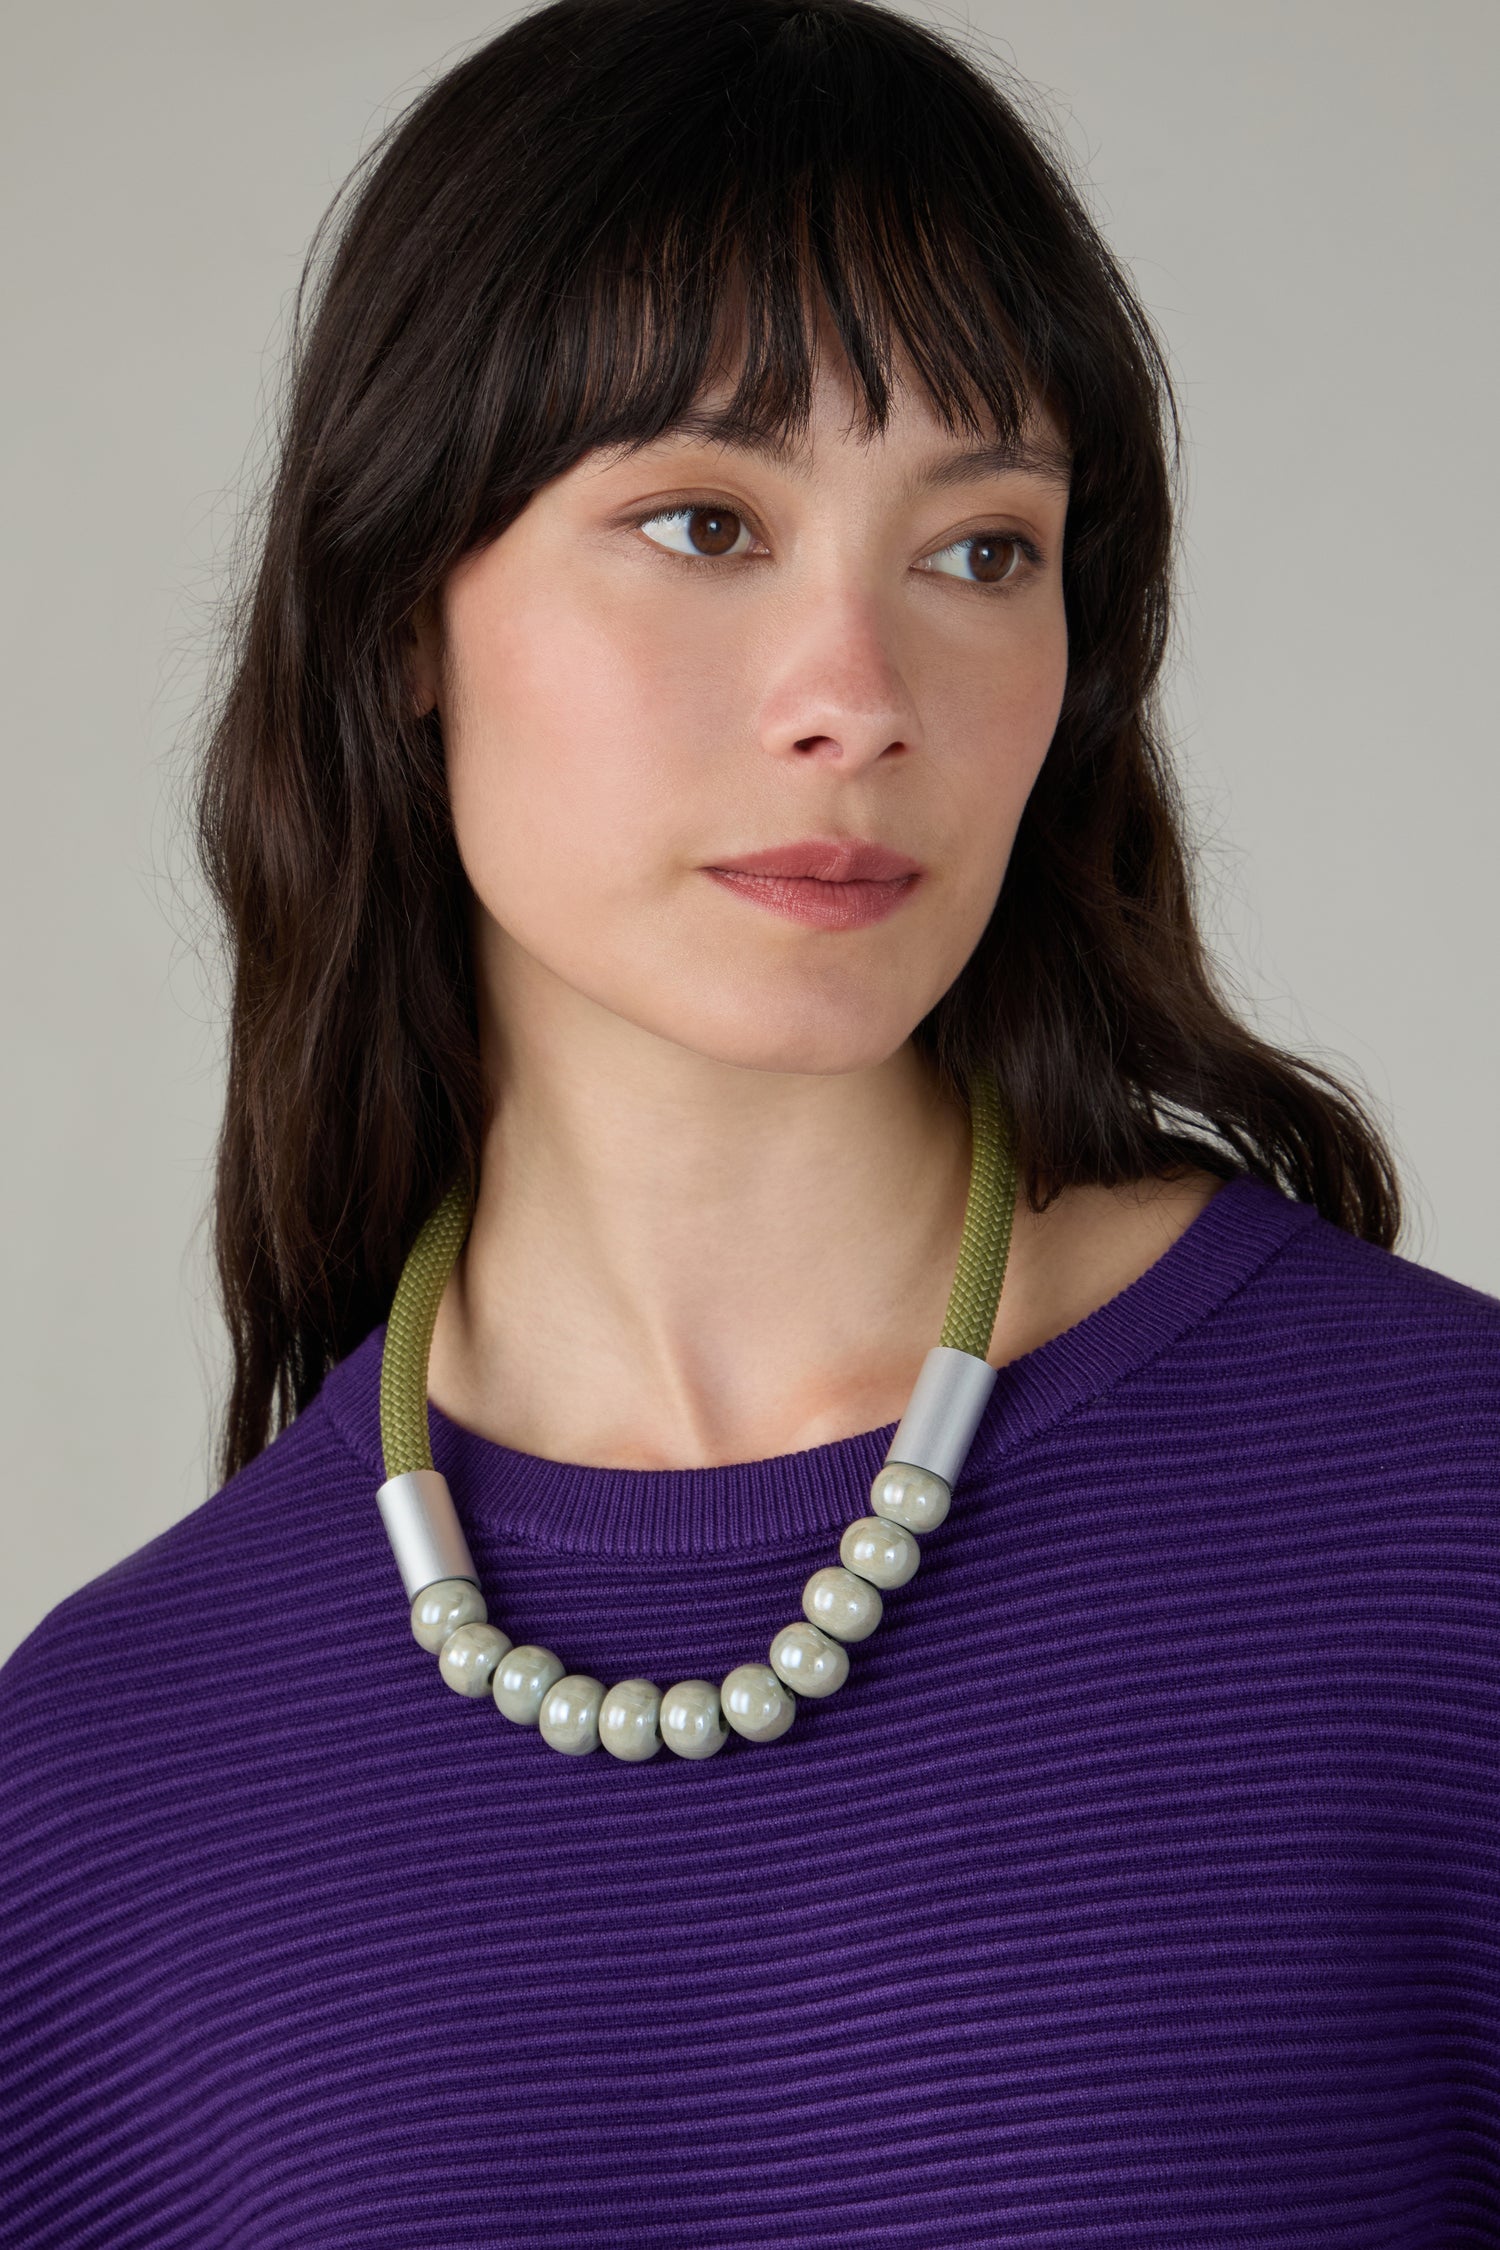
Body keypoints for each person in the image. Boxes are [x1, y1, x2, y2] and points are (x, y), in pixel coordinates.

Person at [3, 0, 1496, 2239]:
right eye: (705, 520)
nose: (858, 699)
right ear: (408, 608)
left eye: (980, 549)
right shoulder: (98, 1784)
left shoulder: (1447, 1526)